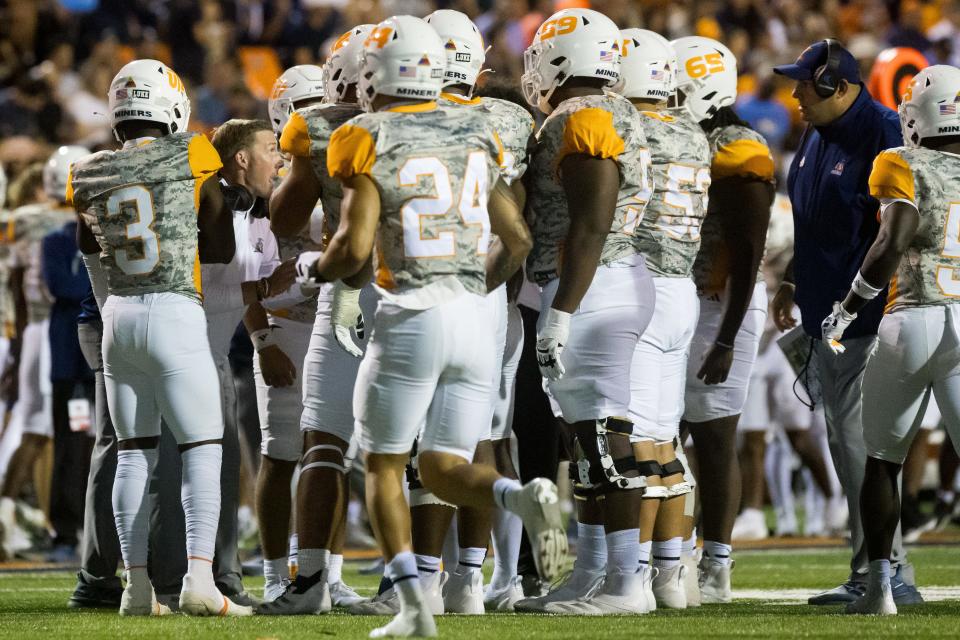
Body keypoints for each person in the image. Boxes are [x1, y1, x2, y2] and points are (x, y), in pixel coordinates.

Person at [297, 15, 563, 636]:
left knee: (385, 466)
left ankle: (415, 609)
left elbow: (353, 249)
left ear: (375, 76)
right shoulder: (478, 126)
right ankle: (519, 498)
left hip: (411, 312)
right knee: (444, 466)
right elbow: (518, 238)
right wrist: (470, 288)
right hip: (477, 317)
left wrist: (314, 269)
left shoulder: (366, 133)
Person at [70, 59, 249, 616]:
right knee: (201, 449)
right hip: (173, 309)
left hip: (118, 316)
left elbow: (89, 252)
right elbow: (219, 247)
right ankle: (200, 582)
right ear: (171, 106)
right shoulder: (195, 152)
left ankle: (136, 589)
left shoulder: (87, 171)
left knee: (132, 455)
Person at [772, 38, 922, 606]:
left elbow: (894, 236)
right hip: (826, 320)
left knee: (862, 451)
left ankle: (888, 574)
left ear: (836, 85)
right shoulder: (818, 133)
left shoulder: (883, 134)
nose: (794, 94)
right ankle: (872, 569)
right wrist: (792, 277)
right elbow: (817, 224)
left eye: (805, 84)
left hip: (867, 319)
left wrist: (860, 302)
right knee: (846, 447)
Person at [516, 8, 656, 616]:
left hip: (593, 285)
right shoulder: (609, 111)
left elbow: (593, 221)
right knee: (583, 437)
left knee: (602, 434)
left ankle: (629, 582)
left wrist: (563, 310)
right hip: (599, 280)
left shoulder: (582, 116)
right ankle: (594, 571)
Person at [820, 64, 960, 615]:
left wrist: (849, 305)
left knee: (882, 459)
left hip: (915, 318)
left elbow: (893, 238)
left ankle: (879, 588)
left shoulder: (901, 161)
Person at [257, 24, 378, 616]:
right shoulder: (454, 120)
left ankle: (318, 579)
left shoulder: (325, 133)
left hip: (342, 294)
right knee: (296, 450)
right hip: (413, 296)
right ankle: (436, 579)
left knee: (327, 444)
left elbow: (287, 222)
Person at [615, 28, 709, 611]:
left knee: (641, 441)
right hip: (682, 287)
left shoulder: (631, 128)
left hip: (643, 284)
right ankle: (673, 573)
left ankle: (640, 573)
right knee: (666, 439)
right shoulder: (694, 133)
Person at [250, 64, 328, 604]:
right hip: (286, 323)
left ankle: (329, 574)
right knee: (280, 455)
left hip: (338, 320)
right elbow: (244, 270)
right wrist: (262, 339)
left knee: (332, 453)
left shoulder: (351, 151)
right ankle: (277, 573)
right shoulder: (268, 172)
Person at [41, 145, 96, 563]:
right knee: (70, 443)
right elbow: (63, 287)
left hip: (97, 357)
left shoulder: (103, 233)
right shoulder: (55, 241)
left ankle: (96, 528)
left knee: (102, 443)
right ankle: (65, 529)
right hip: (69, 361)